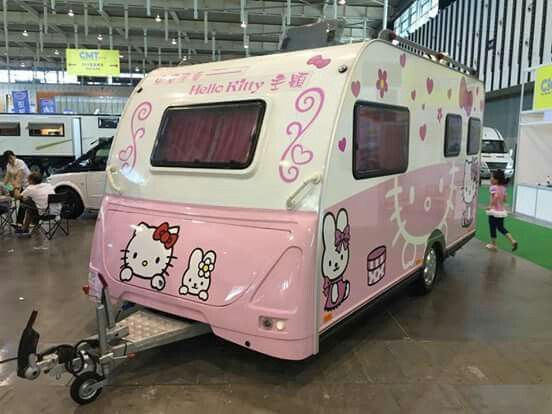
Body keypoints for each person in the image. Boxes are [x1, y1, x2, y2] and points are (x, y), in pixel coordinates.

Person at [486, 170, 518, 251]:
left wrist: (490, 205)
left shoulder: (493, 187)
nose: (491, 179)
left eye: (492, 177)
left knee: (492, 227)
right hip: (501, 211)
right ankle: (512, 240)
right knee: (501, 227)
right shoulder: (503, 188)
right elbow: (505, 199)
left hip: (494, 211)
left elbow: (495, 197)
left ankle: (494, 245)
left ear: (496, 180)